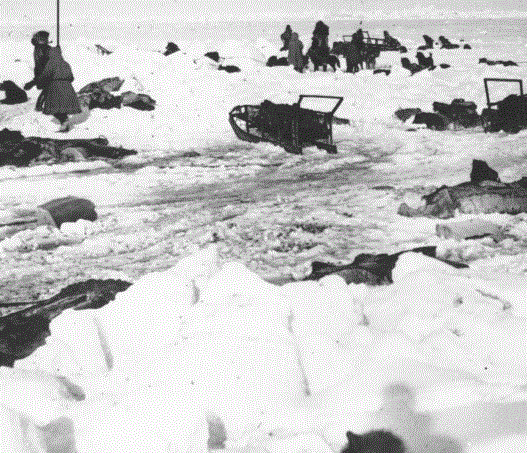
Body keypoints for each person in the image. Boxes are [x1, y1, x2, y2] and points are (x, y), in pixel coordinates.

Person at [33, 46, 82, 132]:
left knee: (54, 107)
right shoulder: (66, 64)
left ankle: (64, 121)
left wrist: (40, 82)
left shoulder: (51, 63)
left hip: (55, 87)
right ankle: (65, 122)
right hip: (68, 87)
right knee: (63, 106)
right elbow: (71, 77)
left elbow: (45, 75)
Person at [24, 30, 52, 111]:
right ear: (41, 39)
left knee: (48, 89)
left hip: (41, 71)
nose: (47, 40)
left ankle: (41, 106)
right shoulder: (43, 48)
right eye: (45, 38)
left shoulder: (38, 47)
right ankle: (39, 106)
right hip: (45, 72)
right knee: (49, 89)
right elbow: (47, 58)